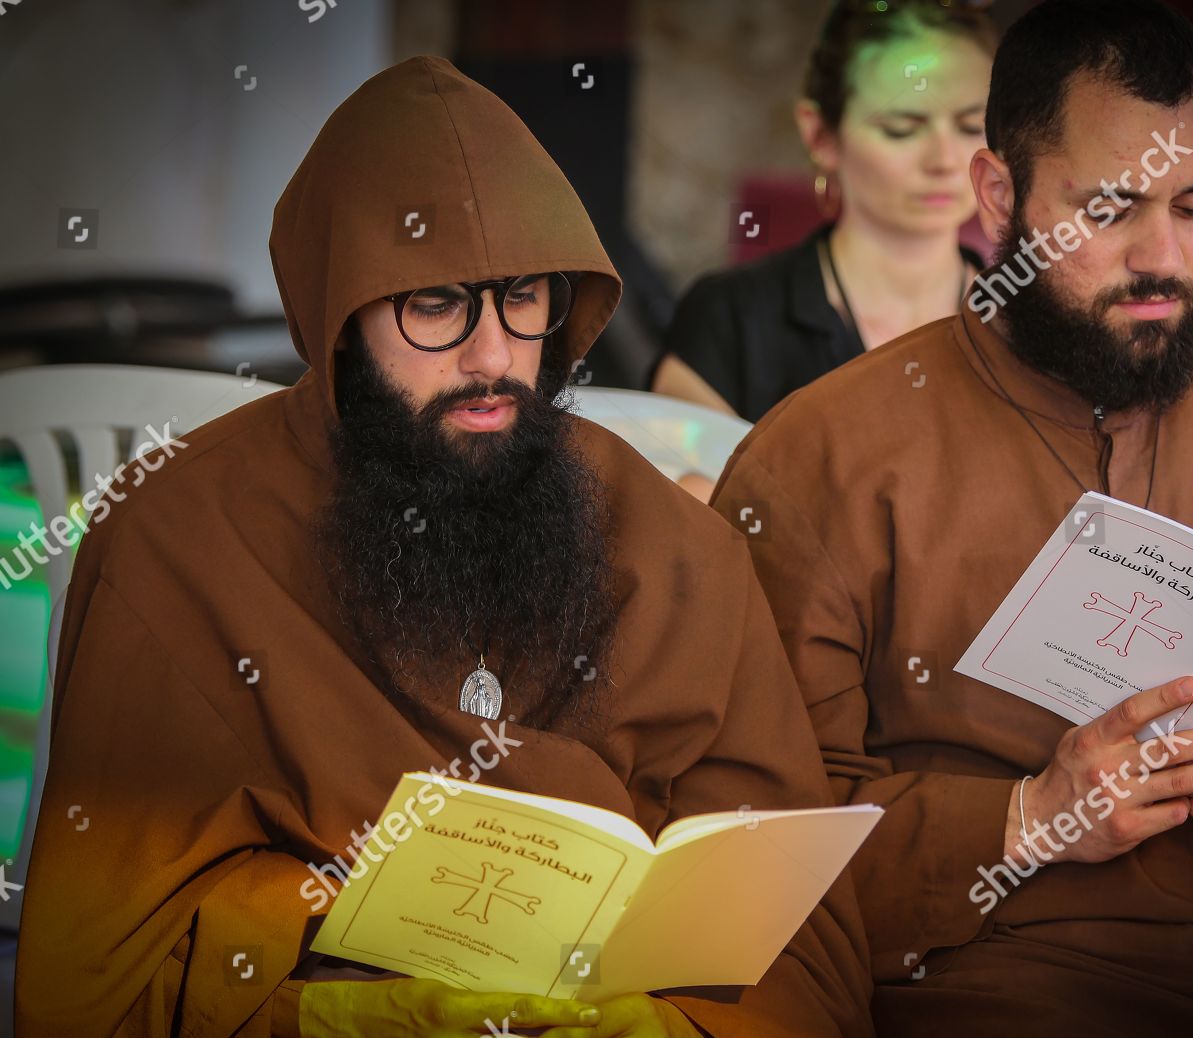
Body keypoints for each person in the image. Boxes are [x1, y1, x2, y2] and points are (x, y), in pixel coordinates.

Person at [16, 56, 875, 1038]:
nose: (492, 358)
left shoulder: (677, 552)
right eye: (434, 303)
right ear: (336, 313)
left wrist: (666, 1027)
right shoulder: (174, 540)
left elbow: (808, 953)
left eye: (522, 297)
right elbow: (93, 978)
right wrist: (355, 1006)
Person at [710, 1, 1193, 1033]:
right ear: (998, 198)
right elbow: (745, 848)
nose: (1162, 258)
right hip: (992, 989)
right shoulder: (822, 464)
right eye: (1112, 209)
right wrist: (1025, 820)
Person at [650, 0, 996, 424]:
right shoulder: (733, 319)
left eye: (970, 126)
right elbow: (678, 480)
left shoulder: (1028, 319)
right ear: (821, 136)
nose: (944, 159)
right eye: (901, 129)